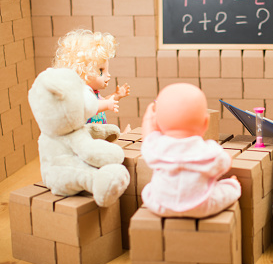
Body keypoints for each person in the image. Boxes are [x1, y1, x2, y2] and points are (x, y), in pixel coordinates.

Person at [140, 83, 241, 218]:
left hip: (161, 204)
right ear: (206, 123)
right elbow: (224, 164)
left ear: (157, 123)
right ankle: (233, 185)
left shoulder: (156, 147)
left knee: (148, 190)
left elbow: (148, 138)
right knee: (228, 191)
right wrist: (227, 158)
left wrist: (148, 119)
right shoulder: (209, 151)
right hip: (200, 205)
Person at [52, 29, 130, 124]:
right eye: (101, 71)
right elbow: (90, 106)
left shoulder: (94, 93)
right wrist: (107, 104)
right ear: (82, 71)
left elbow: (103, 100)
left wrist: (116, 95)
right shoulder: (81, 93)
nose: (108, 75)